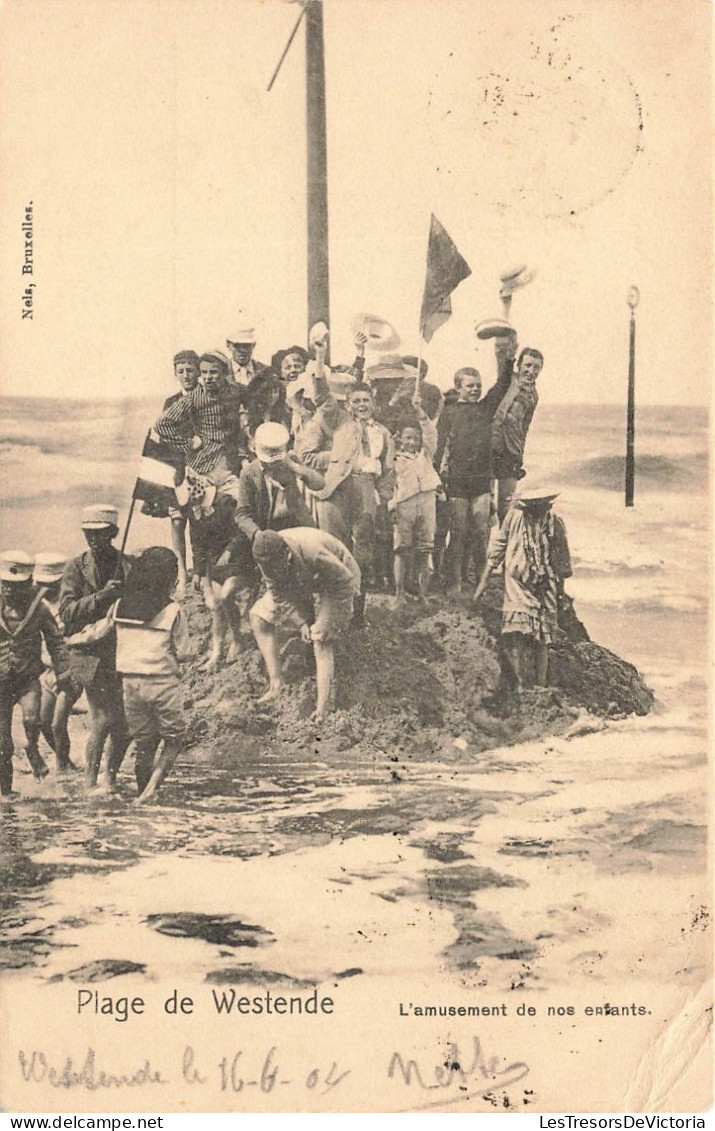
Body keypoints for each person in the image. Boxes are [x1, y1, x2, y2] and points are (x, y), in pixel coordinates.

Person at [297, 335, 394, 621]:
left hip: (365, 492)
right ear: (348, 404)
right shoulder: (340, 421)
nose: (362, 405)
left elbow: (388, 472)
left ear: (374, 404)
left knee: (362, 552)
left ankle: (357, 612)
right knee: (333, 549)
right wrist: (320, 356)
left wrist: (383, 497)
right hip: (337, 488)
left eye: (367, 400)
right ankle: (331, 610)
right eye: (357, 401)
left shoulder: (383, 433)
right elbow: (321, 395)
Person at [249, 528, 360, 719]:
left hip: (339, 578)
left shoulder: (313, 551)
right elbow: (278, 593)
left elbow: (345, 582)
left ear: (286, 554)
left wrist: (328, 622)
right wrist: (300, 621)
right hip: (303, 578)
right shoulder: (266, 558)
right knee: (258, 616)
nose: (273, 571)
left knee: (320, 637)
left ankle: (323, 709)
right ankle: (276, 684)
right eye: (269, 568)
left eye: (277, 566)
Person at [112, 547, 194, 804]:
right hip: (161, 682)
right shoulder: (173, 610)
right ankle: (152, 789)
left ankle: (141, 791)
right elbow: (183, 653)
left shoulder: (120, 605)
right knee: (175, 738)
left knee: (144, 741)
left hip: (130, 681)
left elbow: (102, 632)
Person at [59, 504, 131, 791]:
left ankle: (109, 779)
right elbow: (66, 613)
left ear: (113, 533)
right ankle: (90, 784)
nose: (93, 539)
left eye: (100, 533)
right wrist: (103, 598)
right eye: (88, 533)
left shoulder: (127, 566)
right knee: (103, 718)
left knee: (124, 726)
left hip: (121, 651)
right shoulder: (75, 567)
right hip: (88, 654)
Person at [473, 486, 572, 691]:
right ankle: (519, 684)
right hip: (517, 581)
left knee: (542, 637)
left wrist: (560, 593)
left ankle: (540, 684)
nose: (536, 511)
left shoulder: (555, 524)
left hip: (545, 583)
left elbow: (561, 560)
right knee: (517, 633)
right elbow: (498, 549)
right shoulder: (514, 518)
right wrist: (483, 582)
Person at [435, 364, 510, 598]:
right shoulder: (449, 412)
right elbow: (439, 447)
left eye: (478, 385)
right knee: (458, 532)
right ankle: (453, 583)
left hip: (481, 481)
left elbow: (501, 386)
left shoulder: (486, 409)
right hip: (456, 481)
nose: (476, 389)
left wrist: (507, 358)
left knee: (480, 533)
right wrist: (437, 476)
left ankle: (481, 581)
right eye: (470, 386)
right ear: (458, 388)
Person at [0, 551, 71, 796]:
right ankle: (6, 793)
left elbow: (57, 642)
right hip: (1, 682)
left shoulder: (38, 608)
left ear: (28, 584)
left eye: (16, 586)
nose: (10, 591)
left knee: (33, 720)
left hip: (27, 678)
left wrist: (64, 672)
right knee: (2, 744)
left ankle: (32, 748)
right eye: (5, 585)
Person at [153, 349, 249, 505]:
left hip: (228, 463)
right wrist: (188, 443)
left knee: (237, 506)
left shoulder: (235, 390)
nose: (208, 377)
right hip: (196, 466)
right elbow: (161, 426)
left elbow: (256, 396)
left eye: (213, 372)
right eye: (205, 373)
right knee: (194, 514)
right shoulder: (191, 398)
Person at [388, 394, 443, 608]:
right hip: (404, 505)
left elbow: (430, 431)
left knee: (425, 549)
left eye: (416, 438)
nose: (412, 442)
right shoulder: (394, 458)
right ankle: (399, 594)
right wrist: (392, 506)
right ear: (400, 438)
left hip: (427, 502)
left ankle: (422, 595)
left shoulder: (426, 454)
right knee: (402, 550)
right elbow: (390, 485)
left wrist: (420, 411)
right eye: (408, 437)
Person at [153, 350, 201, 597]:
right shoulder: (171, 403)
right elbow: (164, 437)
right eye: (181, 371)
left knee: (200, 519)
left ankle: (200, 571)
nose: (186, 375)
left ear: (199, 371)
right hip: (179, 467)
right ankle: (182, 571)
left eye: (190, 370)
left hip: (203, 466)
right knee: (177, 518)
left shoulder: (207, 398)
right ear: (175, 374)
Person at [34, 553, 81, 773]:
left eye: (51, 584)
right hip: (47, 671)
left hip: (69, 670)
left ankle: (63, 768)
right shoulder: (37, 607)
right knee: (43, 722)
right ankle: (67, 761)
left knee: (57, 724)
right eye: (42, 583)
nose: (46, 588)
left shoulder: (69, 606)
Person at [491, 336, 544, 520]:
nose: (531, 371)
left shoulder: (533, 396)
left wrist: (520, 454)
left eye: (536, 367)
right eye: (528, 365)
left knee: (506, 505)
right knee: (485, 504)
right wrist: (509, 353)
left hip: (511, 450)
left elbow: (525, 427)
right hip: (490, 443)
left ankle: (505, 545)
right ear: (519, 365)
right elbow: (501, 357)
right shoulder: (507, 378)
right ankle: (484, 547)